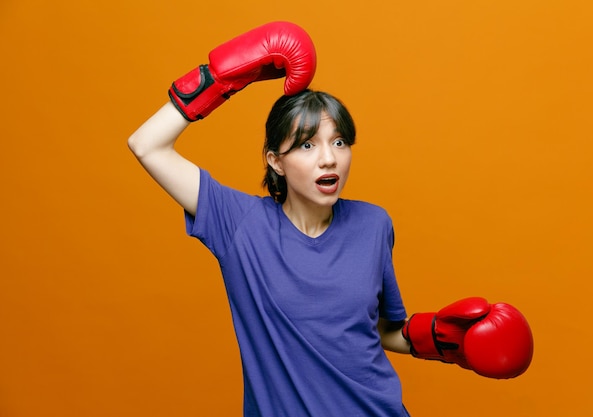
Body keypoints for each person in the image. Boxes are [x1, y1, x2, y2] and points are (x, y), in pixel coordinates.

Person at [128, 21, 533, 417]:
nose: (329, 157)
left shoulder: (374, 224)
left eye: (339, 141)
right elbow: (147, 145)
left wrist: (441, 339)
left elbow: (379, 330)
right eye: (307, 145)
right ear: (276, 161)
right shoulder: (239, 224)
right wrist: (222, 78)